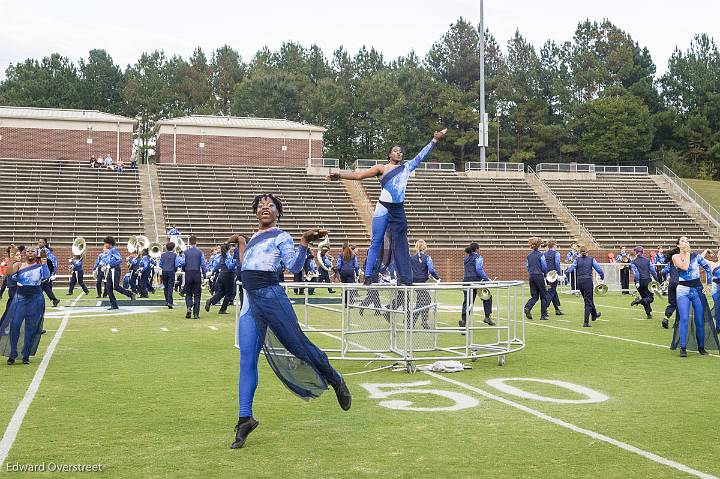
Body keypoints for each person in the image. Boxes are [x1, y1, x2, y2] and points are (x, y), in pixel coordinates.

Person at [231, 193, 351, 449]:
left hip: (272, 297)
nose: (265, 208)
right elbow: (246, 267)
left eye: (270, 206)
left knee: (297, 345)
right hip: (250, 303)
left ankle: (334, 378)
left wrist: (304, 242)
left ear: (278, 212)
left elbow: (294, 266)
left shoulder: (281, 236)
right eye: (261, 206)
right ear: (255, 213)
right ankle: (245, 418)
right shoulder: (253, 237)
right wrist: (241, 242)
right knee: (246, 360)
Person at [327, 129, 447, 285]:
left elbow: (421, 156)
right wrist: (339, 175)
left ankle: (403, 278)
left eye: (401, 152)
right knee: (376, 242)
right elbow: (359, 176)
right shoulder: (381, 168)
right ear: (389, 154)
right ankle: (368, 275)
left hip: (398, 210)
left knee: (401, 243)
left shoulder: (406, 168)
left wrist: (434, 140)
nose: (399, 153)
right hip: (383, 209)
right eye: (395, 151)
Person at [2, 247, 49, 364]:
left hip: (35, 299)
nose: (30, 253)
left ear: (36, 254)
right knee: (15, 325)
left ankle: (26, 355)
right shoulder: (19, 265)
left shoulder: (39, 266)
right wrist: (12, 258)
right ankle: (12, 354)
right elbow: (7, 273)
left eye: (33, 251)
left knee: (31, 327)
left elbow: (46, 276)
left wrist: (44, 261)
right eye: (28, 251)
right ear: (25, 254)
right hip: (20, 298)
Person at [667, 237, 712, 357]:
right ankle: (683, 347)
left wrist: (708, 284)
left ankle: (701, 347)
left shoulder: (696, 256)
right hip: (683, 290)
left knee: (699, 320)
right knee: (684, 319)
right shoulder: (675, 257)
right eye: (682, 241)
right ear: (678, 245)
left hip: (697, 290)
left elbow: (708, 269)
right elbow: (685, 267)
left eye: (687, 240)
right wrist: (686, 252)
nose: (685, 242)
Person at [564, 245, 604, 327]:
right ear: (587, 252)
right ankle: (586, 322)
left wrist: (565, 274)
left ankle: (594, 314)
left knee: (588, 299)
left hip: (580, 282)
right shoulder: (591, 259)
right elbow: (598, 268)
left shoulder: (577, 260)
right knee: (588, 302)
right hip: (588, 281)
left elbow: (571, 268)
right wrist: (602, 276)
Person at [460, 242, 494, 327]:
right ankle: (487, 316)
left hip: (466, 281)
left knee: (467, 302)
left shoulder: (466, 258)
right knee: (487, 297)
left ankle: (464, 321)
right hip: (477, 282)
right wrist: (487, 279)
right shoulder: (478, 257)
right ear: (477, 249)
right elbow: (479, 269)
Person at [98, 236, 136, 310]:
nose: (105, 245)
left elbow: (120, 260)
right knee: (108, 288)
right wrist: (105, 265)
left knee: (116, 286)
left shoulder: (114, 250)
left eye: (106, 243)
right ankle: (114, 305)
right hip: (110, 270)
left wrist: (110, 265)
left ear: (110, 244)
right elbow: (109, 260)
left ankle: (130, 294)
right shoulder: (110, 251)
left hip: (115, 270)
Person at [410, 240, 440, 329]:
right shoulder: (427, 257)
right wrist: (437, 278)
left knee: (423, 301)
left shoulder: (412, 258)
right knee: (425, 301)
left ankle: (413, 321)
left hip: (414, 282)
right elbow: (431, 269)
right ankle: (412, 321)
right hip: (421, 283)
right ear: (425, 248)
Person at [205, 243, 237, 315]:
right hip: (228, 276)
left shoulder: (221, 256)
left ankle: (210, 301)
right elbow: (230, 267)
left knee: (221, 292)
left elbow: (217, 266)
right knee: (229, 293)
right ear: (229, 248)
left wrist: (213, 272)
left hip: (221, 275)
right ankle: (222, 309)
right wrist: (235, 261)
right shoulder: (228, 256)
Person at [630, 246, 659, 319]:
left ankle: (648, 314)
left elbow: (636, 273)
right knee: (650, 298)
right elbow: (653, 271)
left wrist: (637, 281)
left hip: (639, 282)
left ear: (636, 252)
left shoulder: (633, 262)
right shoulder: (647, 260)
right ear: (643, 252)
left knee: (645, 298)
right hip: (647, 280)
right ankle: (639, 301)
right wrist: (657, 280)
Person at [182, 235, 207, 319]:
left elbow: (182, 263)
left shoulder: (185, 252)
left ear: (189, 242)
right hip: (197, 273)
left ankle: (189, 306)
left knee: (188, 293)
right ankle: (196, 314)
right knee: (197, 294)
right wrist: (204, 274)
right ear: (196, 242)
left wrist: (184, 269)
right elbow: (203, 264)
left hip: (188, 273)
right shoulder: (200, 252)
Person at [525, 237, 549, 320]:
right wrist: (545, 274)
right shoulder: (541, 255)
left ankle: (528, 307)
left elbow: (527, 266)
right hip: (539, 275)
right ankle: (543, 315)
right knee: (543, 295)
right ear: (539, 245)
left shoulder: (528, 256)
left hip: (531, 276)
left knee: (534, 296)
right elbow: (544, 266)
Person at [37, 238, 60, 307]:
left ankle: (39, 302)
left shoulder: (46, 251)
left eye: (41, 242)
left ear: (44, 243)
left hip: (45, 272)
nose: (39, 243)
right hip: (40, 272)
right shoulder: (38, 250)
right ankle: (54, 300)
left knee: (41, 287)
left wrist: (53, 273)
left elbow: (53, 263)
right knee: (45, 288)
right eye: (39, 242)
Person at [544, 239, 563, 316]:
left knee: (553, 290)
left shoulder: (544, 254)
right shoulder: (556, 253)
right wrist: (559, 273)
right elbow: (557, 264)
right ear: (554, 245)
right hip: (553, 274)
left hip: (547, 274)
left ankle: (557, 309)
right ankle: (544, 308)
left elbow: (544, 265)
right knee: (551, 291)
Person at [160, 242, 181, 308]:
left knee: (165, 287)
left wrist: (164, 267)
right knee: (170, 287)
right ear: (173, 248)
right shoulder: (175, 255)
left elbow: (160, 264)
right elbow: (176, 264)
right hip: (171, 271)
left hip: (164, 271)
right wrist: (175, 269)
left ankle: (166, 301)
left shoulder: (163, 255)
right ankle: (170, 302)